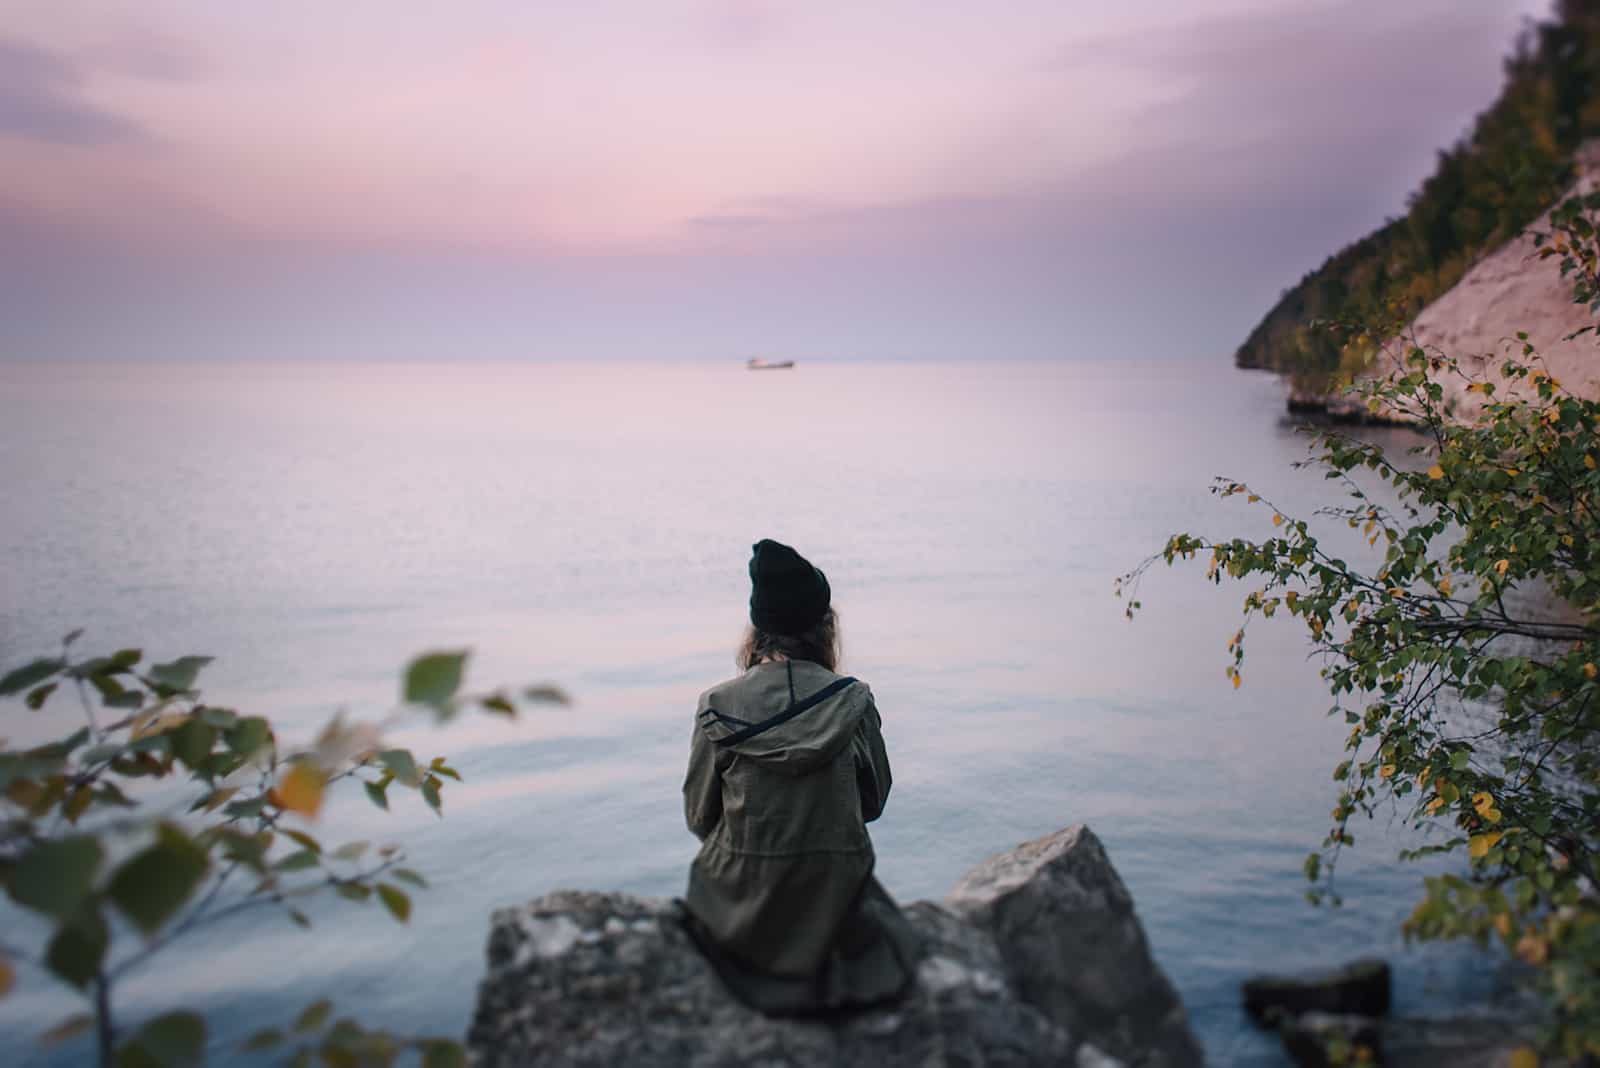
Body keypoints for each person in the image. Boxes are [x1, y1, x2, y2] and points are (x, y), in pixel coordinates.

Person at [680, 539, 919, 1015]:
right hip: (834, 898)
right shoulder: (853, 701)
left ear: (757, 632)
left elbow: (700, 817)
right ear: (824, 629)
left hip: (740, 903)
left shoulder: (716, 707)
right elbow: (873, 803)